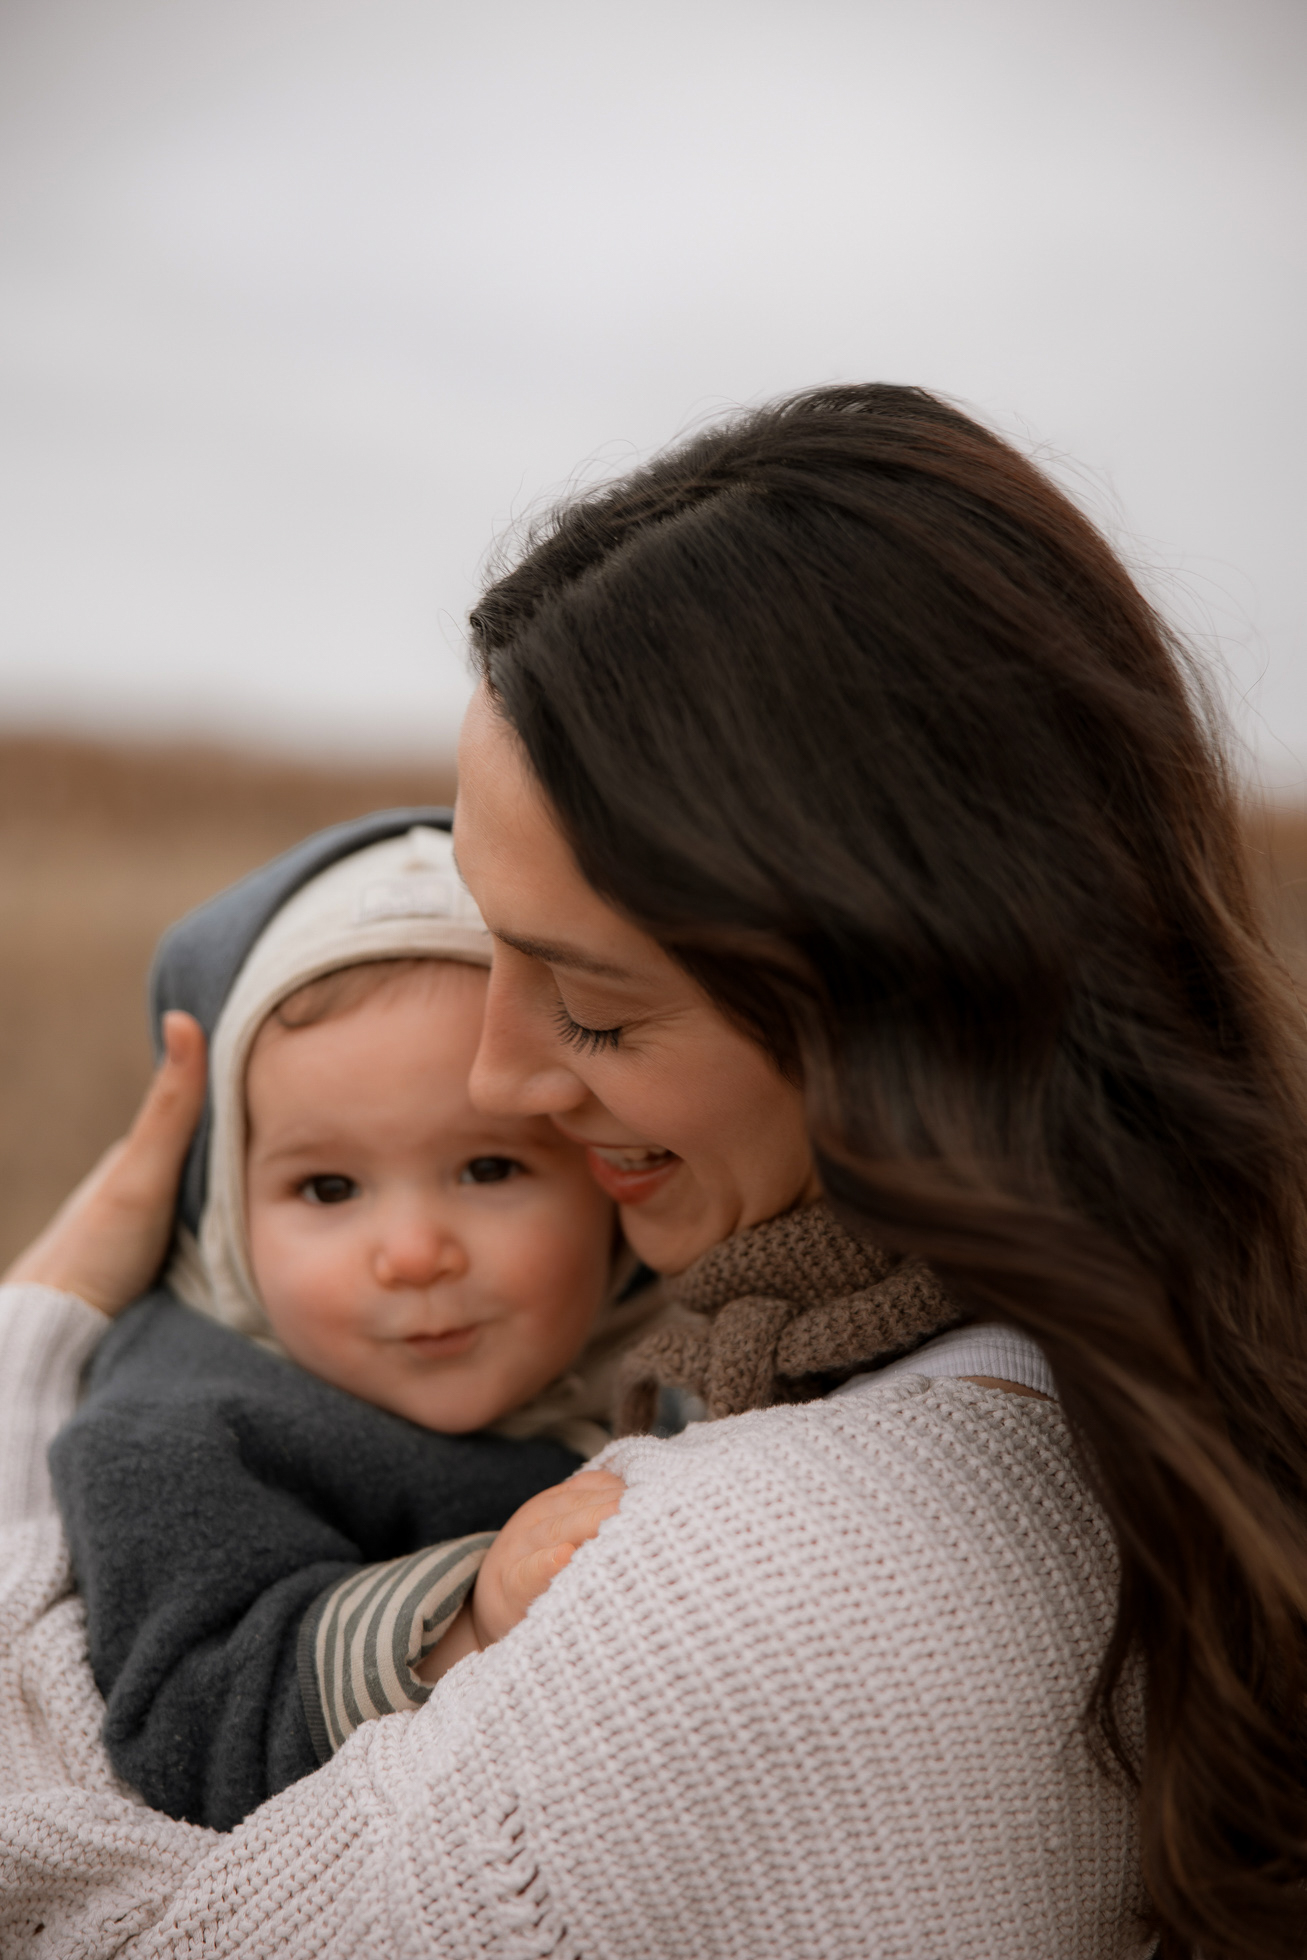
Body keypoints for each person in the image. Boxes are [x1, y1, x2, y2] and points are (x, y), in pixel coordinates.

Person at [3, 382, 1305, 1959]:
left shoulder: (742, 1581)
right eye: (488, 953)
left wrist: (37, 1338)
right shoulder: (1154, 1375)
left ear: (902, 989)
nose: (500, 1078)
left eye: (598, 1007)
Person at [41, 815, 646, 1832]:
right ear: (227, 1212)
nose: (411, 1252)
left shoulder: (673, 1365)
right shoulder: (180, 1434)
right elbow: (184, 1722)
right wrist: (463, 1620)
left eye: (488, 1168)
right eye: (329, 1186)